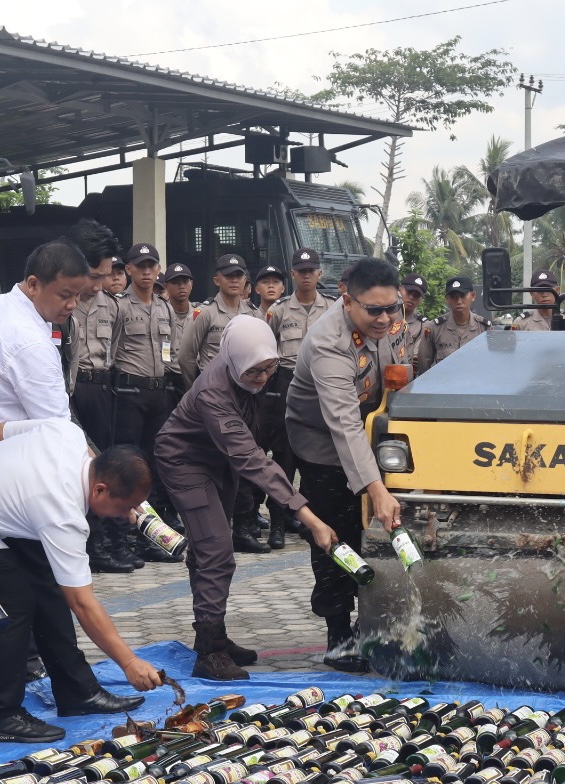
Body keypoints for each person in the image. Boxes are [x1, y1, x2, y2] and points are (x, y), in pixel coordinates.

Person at [0, 424, 159, 741]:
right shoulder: (63, 514)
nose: (124, 517)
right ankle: (1, 714)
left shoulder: (69, 434)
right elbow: (81, 603)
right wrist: (129, 662)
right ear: (100, 490)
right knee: (14, 603)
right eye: (123, 508)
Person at [158, 317, 338, 681]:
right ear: (237, 360)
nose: (263, 377)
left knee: (209, 551)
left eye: (270, 368)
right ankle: (209, 653)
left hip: (219, 462)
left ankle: (214, 636)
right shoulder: (213, 392)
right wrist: (309, 517)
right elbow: (250, 456)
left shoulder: (244, 373)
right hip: (185, 462)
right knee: (217, 553)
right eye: (255, 371)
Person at [286, 256, 409, 672]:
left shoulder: (392, 320)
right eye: (373, 310)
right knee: (334, 538)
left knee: (372, 536)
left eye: (391, 307)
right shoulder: (327, 343)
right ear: (346, 298)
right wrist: (375, 489)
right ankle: (338, 635)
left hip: (370, 436)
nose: (384, 318)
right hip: (321, 443)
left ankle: (373, 623)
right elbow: (342, 424)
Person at [0, 240, 87, 458]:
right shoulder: (31, 343)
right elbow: (60, 434)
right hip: (4, 470)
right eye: (65, 295)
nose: (72, 304)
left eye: (78, 295)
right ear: (33, 285)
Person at [65, 221, 134, 575]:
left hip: (102, 385)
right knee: (79, 467)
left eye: (104, 276)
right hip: (72, 391)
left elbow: (117, 346)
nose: (98, 285)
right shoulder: (62, 304)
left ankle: (107, 540)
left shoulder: (113, 306)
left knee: (104, 461)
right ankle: (89, 544)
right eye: (94, 275)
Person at [256, 247, 334, 550]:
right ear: (293, 274)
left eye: (310, 271)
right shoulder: (279, 311)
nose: (305, 275)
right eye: (300, 271)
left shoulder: (331, 308)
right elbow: (266, 351)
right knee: (284, 461)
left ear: (319, 274)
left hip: (320, 387)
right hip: (285, 386)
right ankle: (277, 523)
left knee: (317, 459)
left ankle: (313, 522)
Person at [110, 242, 177, 565]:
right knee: (128, 466)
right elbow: (111, 350)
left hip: (158, 392)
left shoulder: (165, 309)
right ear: (129, 270)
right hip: (130, 393)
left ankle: (151, 535)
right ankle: (124, 536)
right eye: (141, 266)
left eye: (152, 265)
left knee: (155, 466)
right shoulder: (120, 307)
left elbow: (172, 352)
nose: (147, 271)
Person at [176, 254, 258, 387]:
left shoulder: (254, 315)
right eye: (229, 276)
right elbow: (186, 358)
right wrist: (198, 389)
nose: (234, 280)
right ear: (217, 280)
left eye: (238, 276)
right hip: (213, 390)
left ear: (245, 280)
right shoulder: (205, 313)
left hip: (245, 391)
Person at [401, 274, 429, 340]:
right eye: (409, 292)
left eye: (416, 295)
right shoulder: (385, 316)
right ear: (399, 289)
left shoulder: (423, 326)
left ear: (421, 300)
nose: (411, 297)